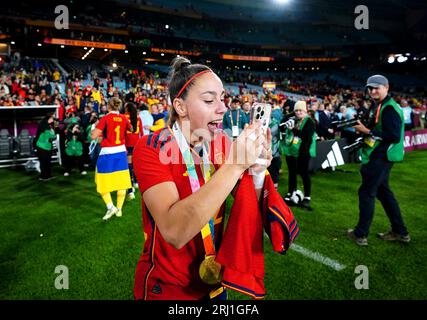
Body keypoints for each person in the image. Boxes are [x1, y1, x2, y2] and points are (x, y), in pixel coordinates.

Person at [132, 57, 271, 300]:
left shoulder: (222, 144)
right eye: (209, 100)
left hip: (217, 286)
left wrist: (257, 172)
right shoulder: (151, 147)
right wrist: (235, 165)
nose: (223, 108)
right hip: (168, 288)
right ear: (181, 107)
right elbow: (174, 232)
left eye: (222, 99)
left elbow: (252, 206)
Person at [347, 75, 410, 246]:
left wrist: (367, 131)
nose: (373, 91)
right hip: (383, 156)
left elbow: (393, 136)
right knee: (384, 193)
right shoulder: (384, 105)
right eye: (370, 88)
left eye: (377, 87)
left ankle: (360, 234)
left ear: (386, 87)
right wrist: (367, 129)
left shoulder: (388, 108)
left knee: (366, 193)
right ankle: (400, 231)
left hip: (382, 156)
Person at [91, 97, 133, 220]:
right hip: (120, 152)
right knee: (122, 181)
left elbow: (93, 136)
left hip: (107, 153)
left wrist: (94, 127)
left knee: (102, 181)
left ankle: (111, 207)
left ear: (109, 106)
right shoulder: (124, 118)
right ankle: (119, 209)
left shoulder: (105, 118)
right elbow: (131, 129)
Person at [280, 101, 316, 210]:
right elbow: (282, 122)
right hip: (292, 150)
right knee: (292, 172)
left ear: (305, 111)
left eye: (301, 110)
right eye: (296, 110)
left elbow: (305, 136)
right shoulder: (294, 118)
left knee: (304, 173)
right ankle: (291, 192)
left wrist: (293, 129)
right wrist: (292, 114)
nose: (298, 112)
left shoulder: (310, 122)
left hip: (304, 152)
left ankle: (307, 196)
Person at [124, 102, 143, 200]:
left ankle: (130, 189)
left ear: (127, 109)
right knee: (135, 164)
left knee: (129, 166)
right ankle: (136, 182)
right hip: (137, 143)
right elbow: (142, 133)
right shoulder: (138, 118)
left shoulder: (124, 117)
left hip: (128, 144)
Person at [34, 112, 57, 181]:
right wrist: (54, 134)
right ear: (49, 119)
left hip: (44, 147)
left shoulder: (46, 126)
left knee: (46, 162)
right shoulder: (45, 127)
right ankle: (44, 176)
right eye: (52, 118)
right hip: (43, 147)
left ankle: (46, 176)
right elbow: (52, 136)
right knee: (45, 162)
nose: (53, 120)